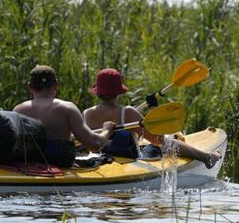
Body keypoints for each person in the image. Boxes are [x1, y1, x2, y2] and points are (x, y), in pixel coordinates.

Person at [83, 68, 222, 169]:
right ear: (119, 91)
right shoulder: (127, 112)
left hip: (99, 159)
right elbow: (157, 139)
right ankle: (206, 157)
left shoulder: (86, 114)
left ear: (98, 91)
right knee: (167, 142)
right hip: (130, 160)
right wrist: (152, 108)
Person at [13, 65, 116, 168]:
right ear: (56, 85)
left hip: (26, 169)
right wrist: (106, 130)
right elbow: (95, 144)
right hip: (59, 168)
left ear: (30, 87)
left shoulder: (18, 110)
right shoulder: (67, 108)